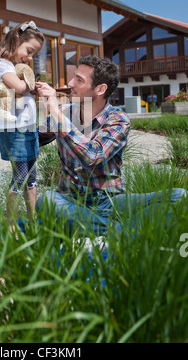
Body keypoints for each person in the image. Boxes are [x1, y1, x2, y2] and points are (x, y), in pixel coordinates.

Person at [35, 55, 186, 237]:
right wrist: (15, 119)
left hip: (110, 202)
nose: (70, 83)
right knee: (47, 201)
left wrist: (56, 112)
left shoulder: (118, 119)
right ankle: (121, 235)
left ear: (100, 89)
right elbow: (32, 139)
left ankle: (98, 231)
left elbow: (93, 156)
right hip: (70, 200)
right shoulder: (65, 113)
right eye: (74, 76)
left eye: (79, 80)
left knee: (180, 197)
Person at [0, 21, 44, 225]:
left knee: (32, 176)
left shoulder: (16, 67)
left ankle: (32, 219)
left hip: (27, 129)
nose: (30, 58)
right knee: (19, 178)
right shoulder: (3, 65)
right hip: (15, 131)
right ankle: (11, 224)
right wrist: (30, 81)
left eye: (34, 54)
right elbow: (20, 87)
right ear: (17, 39)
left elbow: (24, 88)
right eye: (29, 51)